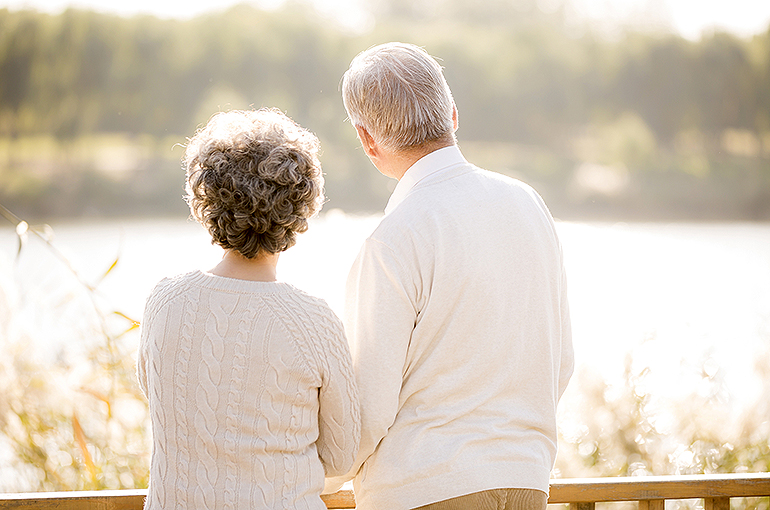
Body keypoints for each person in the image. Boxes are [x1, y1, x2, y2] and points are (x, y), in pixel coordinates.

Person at [325, 42, 574, 510]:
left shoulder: (393, 239)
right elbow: (561, 361)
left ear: (367, 140)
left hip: (425, 489)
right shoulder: (528, 205)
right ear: (453, 114)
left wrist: (313, 478)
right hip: (527, 482)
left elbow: (368, 410)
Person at [136, 108, 360, 510]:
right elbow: (342, 455)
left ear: (205, 198)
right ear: (301, 206)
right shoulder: (312, 322)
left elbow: (159, 399)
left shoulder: (163, 303)